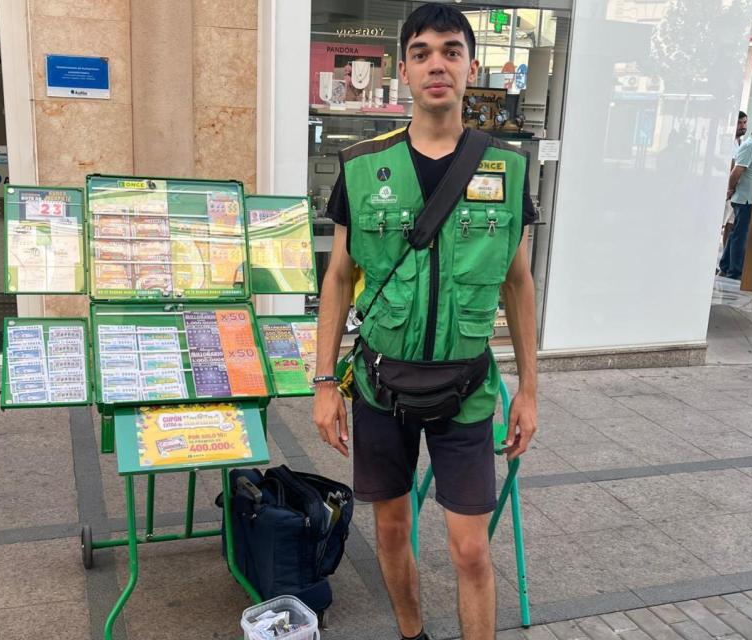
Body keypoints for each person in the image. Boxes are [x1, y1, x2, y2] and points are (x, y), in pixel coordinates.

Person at [311, 4, 538, 639]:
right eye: (421, 52)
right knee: (389, 527)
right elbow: (337, 278)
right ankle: (413, 633)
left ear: (470, 66)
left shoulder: (507, 167)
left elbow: (519, 284)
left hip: (467, 388)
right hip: (381, 385)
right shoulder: (361, 166)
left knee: (470, 550)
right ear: (404, 71)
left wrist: (529, 389)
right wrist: (324, 384)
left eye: (450, 50)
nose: (436, 62)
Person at [718, 114, 752, 280]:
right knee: (740, 236)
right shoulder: (750, 146)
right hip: (745, 199)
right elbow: (737, 171)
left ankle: (725, 266)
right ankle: (735, 271)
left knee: (736, 235)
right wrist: (730, 189)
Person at [721, 111, 748, 248]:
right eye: (739, 123)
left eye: (744, 122)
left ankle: (724, 258)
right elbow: (731, 165)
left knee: (730, 224)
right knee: (724, 222)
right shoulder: (728, 141)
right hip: (727, 188)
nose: (742, 126)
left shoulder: (741, 142)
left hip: (736, 189)